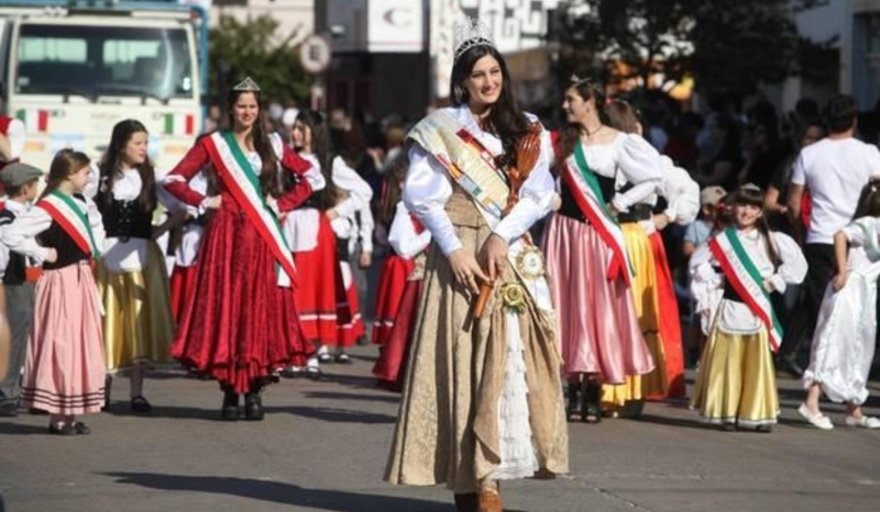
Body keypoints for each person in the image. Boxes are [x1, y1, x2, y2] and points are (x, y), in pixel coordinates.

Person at [385, 19, 568, 512]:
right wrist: (457, 249)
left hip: (504, 254)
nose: (488, 81)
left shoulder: (528, 129)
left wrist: (500, 236)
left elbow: (540, 195)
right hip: (459, 254)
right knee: (461, 364)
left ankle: (492, 480)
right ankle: (470, 482)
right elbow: (422, 199)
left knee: (504, 363)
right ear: (461, 81)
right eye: (478, 74)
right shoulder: (442, 130)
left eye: (494, 72)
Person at [163, 77, 323, 420]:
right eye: (241, 106)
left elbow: (314, 177)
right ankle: (229, 392)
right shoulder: (213, 144)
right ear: (230, 109)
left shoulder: (274, 144)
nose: (247, 112)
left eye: (253, 106)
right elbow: (173, 180)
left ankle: (254, 390)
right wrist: (206, 201)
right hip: (225, 237)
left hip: (262, 237)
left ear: (259, 109)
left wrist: (282, 204)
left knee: (259, 309)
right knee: (228, 308)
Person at [542, 78, 658, 423]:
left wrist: (619, 203)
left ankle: (592, 390)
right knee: (564, 304)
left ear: (590, 102)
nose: (566, 106)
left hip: (597, 234)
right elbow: (533, 177)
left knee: (595, 306)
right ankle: (571, 387)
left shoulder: (620, 142)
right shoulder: (560, 141)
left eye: (571, 99)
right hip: (563, 232)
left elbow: (652, 176)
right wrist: (550, 197)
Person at [601, 100, 698, 409]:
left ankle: (632, 387)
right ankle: (605, 387)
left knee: (632, 313)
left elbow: (687, 191)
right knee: (608, 314)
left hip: (635, 237)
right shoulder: (599, 156)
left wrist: (666, 216)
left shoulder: (650, 157)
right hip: (608, 237)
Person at [2, 149, 106, 434]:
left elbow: (97, 241)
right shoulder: (47, 208)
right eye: (85, 173)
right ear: (70, 174)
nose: (88, 178)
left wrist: (92, 214)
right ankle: (57, 416)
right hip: (60, 281)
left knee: (79, 343)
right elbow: (9, 234)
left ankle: (69, 412)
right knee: (61, 342)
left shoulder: (81, 203)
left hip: (80, 279)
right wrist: (40, 252)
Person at [690, 185, 806, 432]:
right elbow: (697, 264)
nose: (746, 211)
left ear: (760, 212)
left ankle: (757, 412)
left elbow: (797, 265)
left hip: (757, 308)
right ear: (733, 207)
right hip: (730, 306)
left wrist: (776, 280)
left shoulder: (771, 239)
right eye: (742, 205)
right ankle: (727, 411)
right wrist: (715, 278)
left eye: (753, 207)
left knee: (757, 365)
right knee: (728, 363)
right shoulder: (721, 240)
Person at [780, 94, 880, 377]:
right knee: (859, 308)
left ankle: (819, 371)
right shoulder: (870, 153)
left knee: (822, 309)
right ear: (855, 120)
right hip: (860, 240)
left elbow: (793, 203)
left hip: (820, 237)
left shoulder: (809, 154)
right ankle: (848, 371)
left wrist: (801, 233)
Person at [94, 119, 180, 413]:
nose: (144, 148)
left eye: (146, 142)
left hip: (142, 256)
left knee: (137, 323)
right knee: (108, 321)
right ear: (121, 144)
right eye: (138, 143)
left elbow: (181, 210)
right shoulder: (101, 176)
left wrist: (157, 231)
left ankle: (136, 392)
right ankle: (101, 389)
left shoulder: (153, 178)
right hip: (108, 256)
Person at [799, 179, 880, 430]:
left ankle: (853, 408)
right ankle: (812, 401)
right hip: (850, 288)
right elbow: (840, 235)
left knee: (859, 348)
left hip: (867, 293)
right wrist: (843, 271)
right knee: (833, 342)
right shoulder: (867, 224)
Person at [281, 109, 348, 378]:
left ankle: (312, 356)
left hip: (316, 231)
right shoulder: (285, 159)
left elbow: (363, 191)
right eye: (294, 128)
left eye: (300, 128)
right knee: (290, 290)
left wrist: (335, 212)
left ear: (313, 131)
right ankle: (293, 354)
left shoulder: (329, 162)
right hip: (289, 229)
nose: (295, 133)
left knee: (314, 290)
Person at [0, 163, 43, 417]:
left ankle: (14, 389)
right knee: (15, 337)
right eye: (35, 183)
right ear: (26, 189)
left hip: (23, 280)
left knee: (22, 335)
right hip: (14, 282)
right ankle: (7, 392)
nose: (37, 187)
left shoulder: (21, 214)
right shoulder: (9, 218)